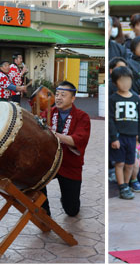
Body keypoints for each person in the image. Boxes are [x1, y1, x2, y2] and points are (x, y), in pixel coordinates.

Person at [41, 81, 91, 217]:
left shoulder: (82, 117)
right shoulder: (48, 113)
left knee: (72, 210)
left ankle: (68, 199)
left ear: (73, 98)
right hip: (49, 162)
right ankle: (44, 212)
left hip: (70, 164)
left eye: (63, 95)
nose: (58, 98)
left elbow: (77, 140)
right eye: (56, 94)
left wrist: (54, 134)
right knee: (33, 179)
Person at [109, 66, 140, 199]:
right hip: (119, 137)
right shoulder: (113, 99)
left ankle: (126, 184)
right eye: (121, 81)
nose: (125, 83)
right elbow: (110, 120)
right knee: (119, 163)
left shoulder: (136, 99)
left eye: (127, 80)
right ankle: (122, 187)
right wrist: (113, 138)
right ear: (115, 83)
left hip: (132, 137)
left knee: (130, 163)